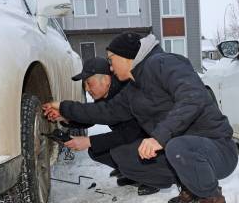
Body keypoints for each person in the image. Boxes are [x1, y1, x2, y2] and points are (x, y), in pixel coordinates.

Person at [43, 32, 238, 203]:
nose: (110, 67)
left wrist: (159, 137)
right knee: (130, 158)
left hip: (217, 149)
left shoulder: (165, 63)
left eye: (111, 61)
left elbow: (193, 98)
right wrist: (64, 108)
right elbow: (105, 111)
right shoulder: (133, 90)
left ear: (127, 57)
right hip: (184, 151)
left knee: (175, 145)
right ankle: (191, 185)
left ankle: (214, 200)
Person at [51, 56, 159, 195]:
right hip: (132, 141)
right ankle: (133, 173)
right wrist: (66, 118)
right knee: (97, 150)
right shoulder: (106, 94)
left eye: (89, 83)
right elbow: (92, 118)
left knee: (116, 150)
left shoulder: (126, 94)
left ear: (106, 79)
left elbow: (129, 134)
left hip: (150, 144)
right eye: (84, 85)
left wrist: (89, 141)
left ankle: (152, 178)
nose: (87, 89)